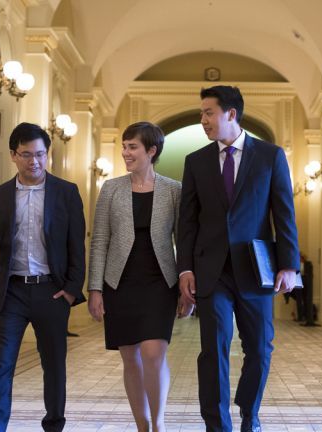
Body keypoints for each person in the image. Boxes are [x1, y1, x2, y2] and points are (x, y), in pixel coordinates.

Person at [178, 86, 300, 432]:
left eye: (208, 113)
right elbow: (186, 222)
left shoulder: (270, 156)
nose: (202, 120)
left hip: (255, 269)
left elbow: (284, 212)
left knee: (260, 349)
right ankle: (217, 424)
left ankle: (249, 413)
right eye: (202, 113)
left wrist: (288, 265)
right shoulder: (196, 161)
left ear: (231, 114)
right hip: (210, 271)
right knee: (213, 350)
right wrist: (185, 268)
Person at [0, 122, 86, 432]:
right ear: (13, 155)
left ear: (47, 154)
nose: (34, 162)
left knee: (53, 366)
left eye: (40, 154)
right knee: (1, 364)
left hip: (52, 292)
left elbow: (77, 244)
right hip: (12, 293)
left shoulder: (66, 192)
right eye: (26, 155)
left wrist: (72, 290)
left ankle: (54, 425)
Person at [87, 122, 189, 432]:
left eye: (133, 147)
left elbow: (183, 240)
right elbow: (100, 239)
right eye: (124, 146)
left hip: (160, 283)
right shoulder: (111, 188)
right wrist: (95, 289)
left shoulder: (173, 190)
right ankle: (142, 425)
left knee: (154, 353)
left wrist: (186, 285)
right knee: (130, 357)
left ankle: (158, 423)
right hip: (120, 282)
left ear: (151, 151)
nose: (125, 152)